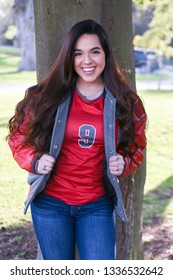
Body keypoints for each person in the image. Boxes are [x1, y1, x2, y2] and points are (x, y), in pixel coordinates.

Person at [7, 19, 147, 260]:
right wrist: (34, 161)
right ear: (69, 58)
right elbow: (18, 136)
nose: (87, 61)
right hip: (50, 203)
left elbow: (138, 147)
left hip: (96, 205)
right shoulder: (47, 95)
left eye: (95, 51)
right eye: (78, 53)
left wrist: (125, 163)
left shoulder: (126, 102)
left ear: (106, 54)